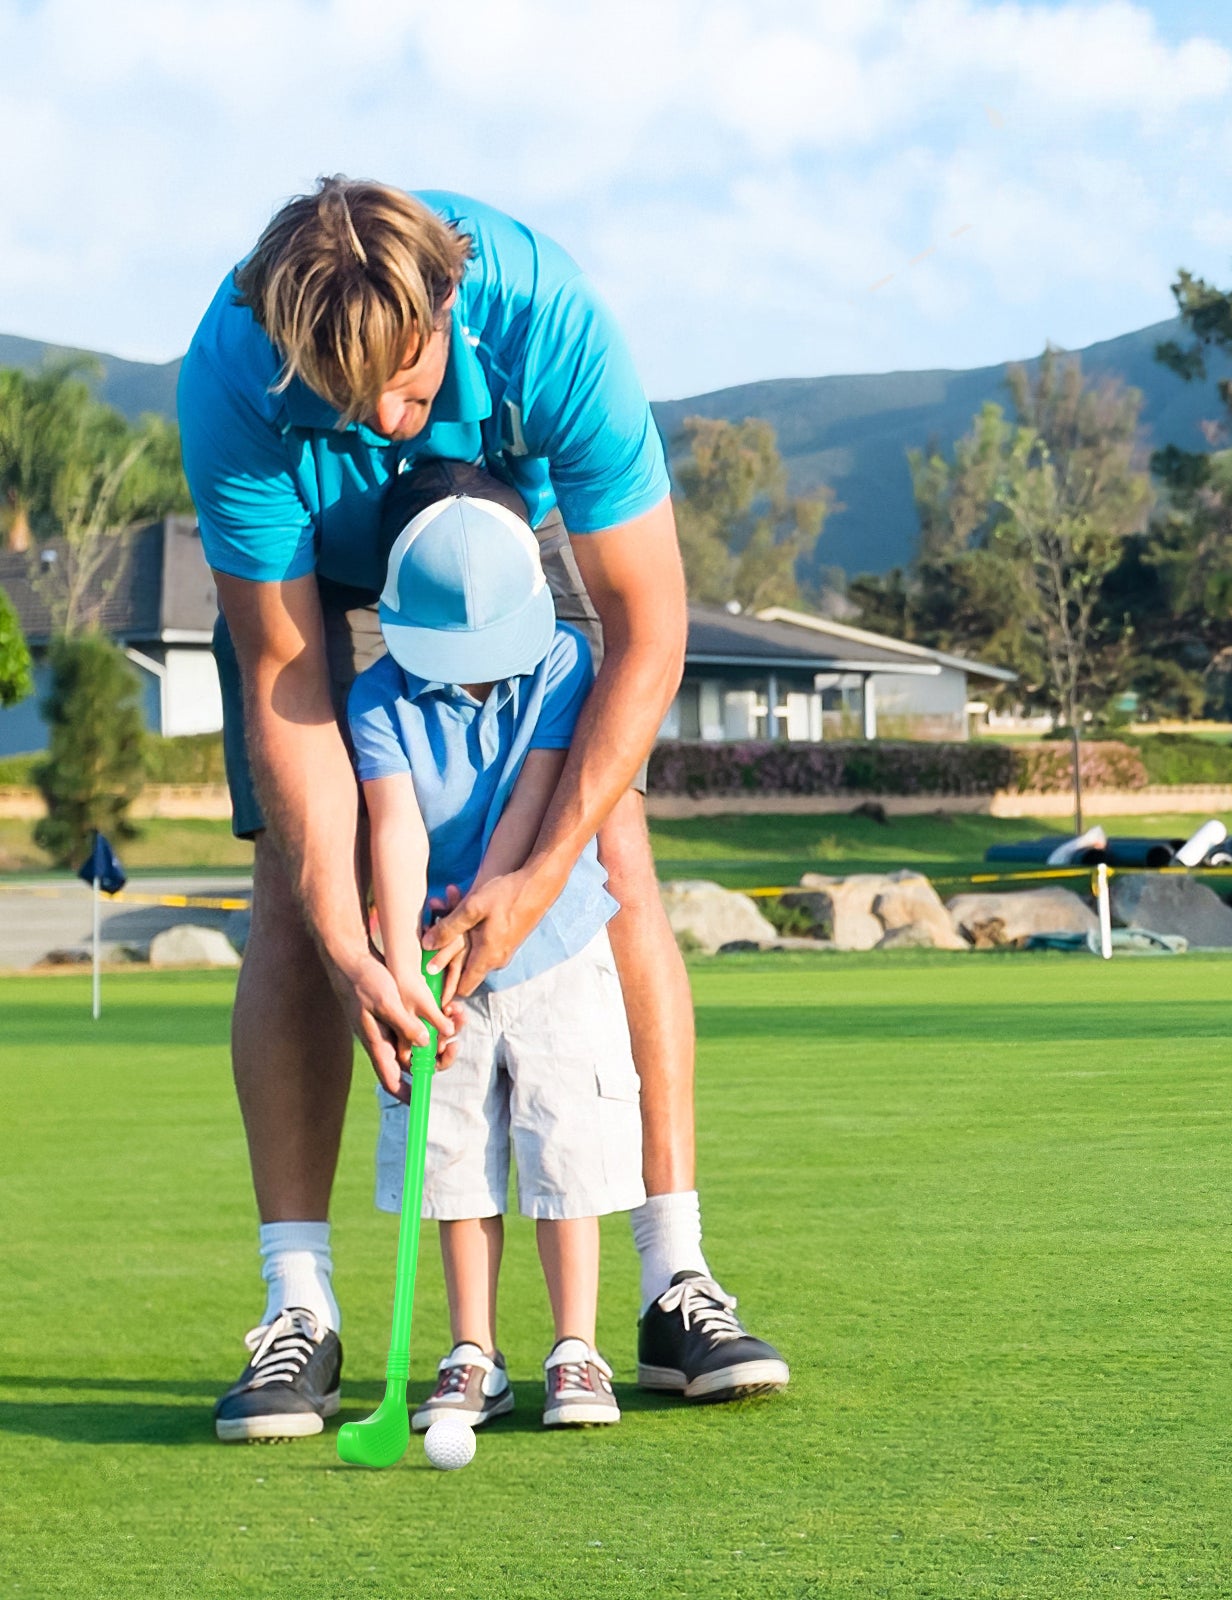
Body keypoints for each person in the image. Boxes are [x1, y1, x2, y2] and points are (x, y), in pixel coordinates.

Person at [181, 178, 787, 1442]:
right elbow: (291, 680)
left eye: (406, 386)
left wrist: (537, 867)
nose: (388, 423)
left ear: (449, 302)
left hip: (496, 558)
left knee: (611, 849)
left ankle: (674, 1276)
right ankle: (300, 1309)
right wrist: (356, 941)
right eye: (352, 405)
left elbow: (648, 628)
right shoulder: (236, 374)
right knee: (299, 892)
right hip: (334, 576)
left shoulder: (550, 321)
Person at [353, 472, 646, 1431]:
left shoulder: (562, 663)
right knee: (454, 1159)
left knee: (567, 1145)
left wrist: (494, 909)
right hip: (442, 966)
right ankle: (473, 1351)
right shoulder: (376, 699)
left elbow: (535, 806)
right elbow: (394, 830)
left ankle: (577, 1349)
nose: (475, 675)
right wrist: (402, 969)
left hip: (554, 945)